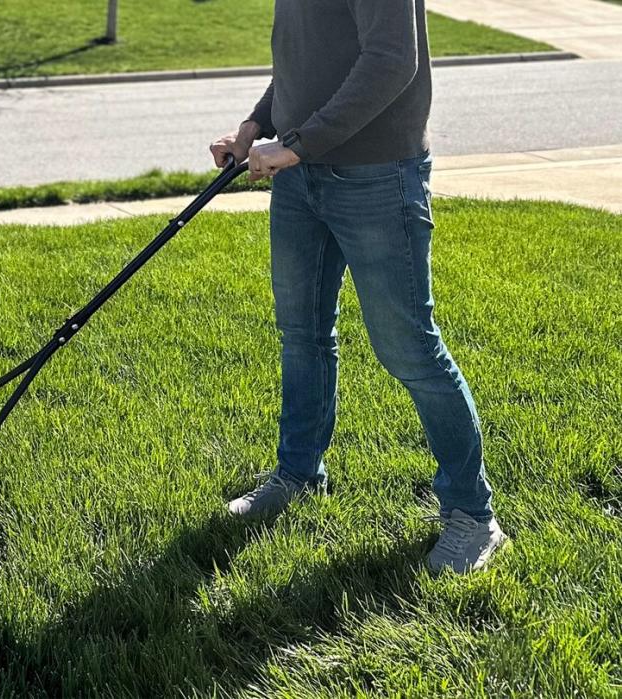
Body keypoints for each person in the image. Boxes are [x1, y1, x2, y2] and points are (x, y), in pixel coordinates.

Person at [210, 0, 507, 574]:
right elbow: (309, 60)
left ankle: (473, 517)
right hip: (301, 175)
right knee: (302, 335)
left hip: (375, 176)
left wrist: (297, 144)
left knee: (410, 349)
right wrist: (256, 125)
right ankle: (298, 476)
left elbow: (392, 61)